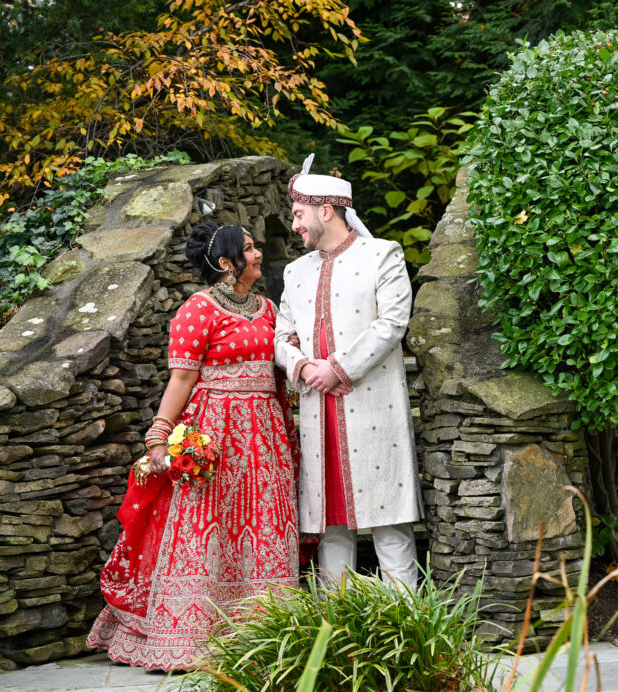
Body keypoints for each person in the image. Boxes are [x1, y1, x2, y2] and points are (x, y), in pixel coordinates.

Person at [87, 223, 299, 671]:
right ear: (226, 263)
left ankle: (265, 635)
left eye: (256, 246)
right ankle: (189, 638)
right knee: (207, 528)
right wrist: (159, 437)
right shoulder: (198, 310)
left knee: (264, 527)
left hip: (265, 438)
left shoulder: (268, 309)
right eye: (248, 249)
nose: (258, 254)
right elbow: (181, 379)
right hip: (215, 435)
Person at [275, 155, 422, 587]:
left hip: (373, 409)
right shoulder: (295, 271)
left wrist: (337, 368)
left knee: (390, 525)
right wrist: (301, 366)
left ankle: (407, 630)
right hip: (319, 417)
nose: (296, 224)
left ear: (326, 210)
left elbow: (393, 323)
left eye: (300, 214)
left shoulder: (382, 254)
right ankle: (334, 633)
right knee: (330, 527)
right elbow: (281, 335)